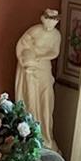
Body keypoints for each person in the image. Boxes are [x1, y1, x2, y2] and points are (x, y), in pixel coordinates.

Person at [14, 9, 62, 151]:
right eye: (49, 19)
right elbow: (21, 46)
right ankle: (30, 133)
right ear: (43, 19)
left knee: (46, 100)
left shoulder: (56, 35)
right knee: (31, 98)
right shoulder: (34, 30)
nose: (51, 22)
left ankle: (46, 136)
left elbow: (55, 52)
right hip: (30, 67)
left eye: (54, 20)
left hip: (44, 67)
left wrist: (40, 57)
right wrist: (26, 60)